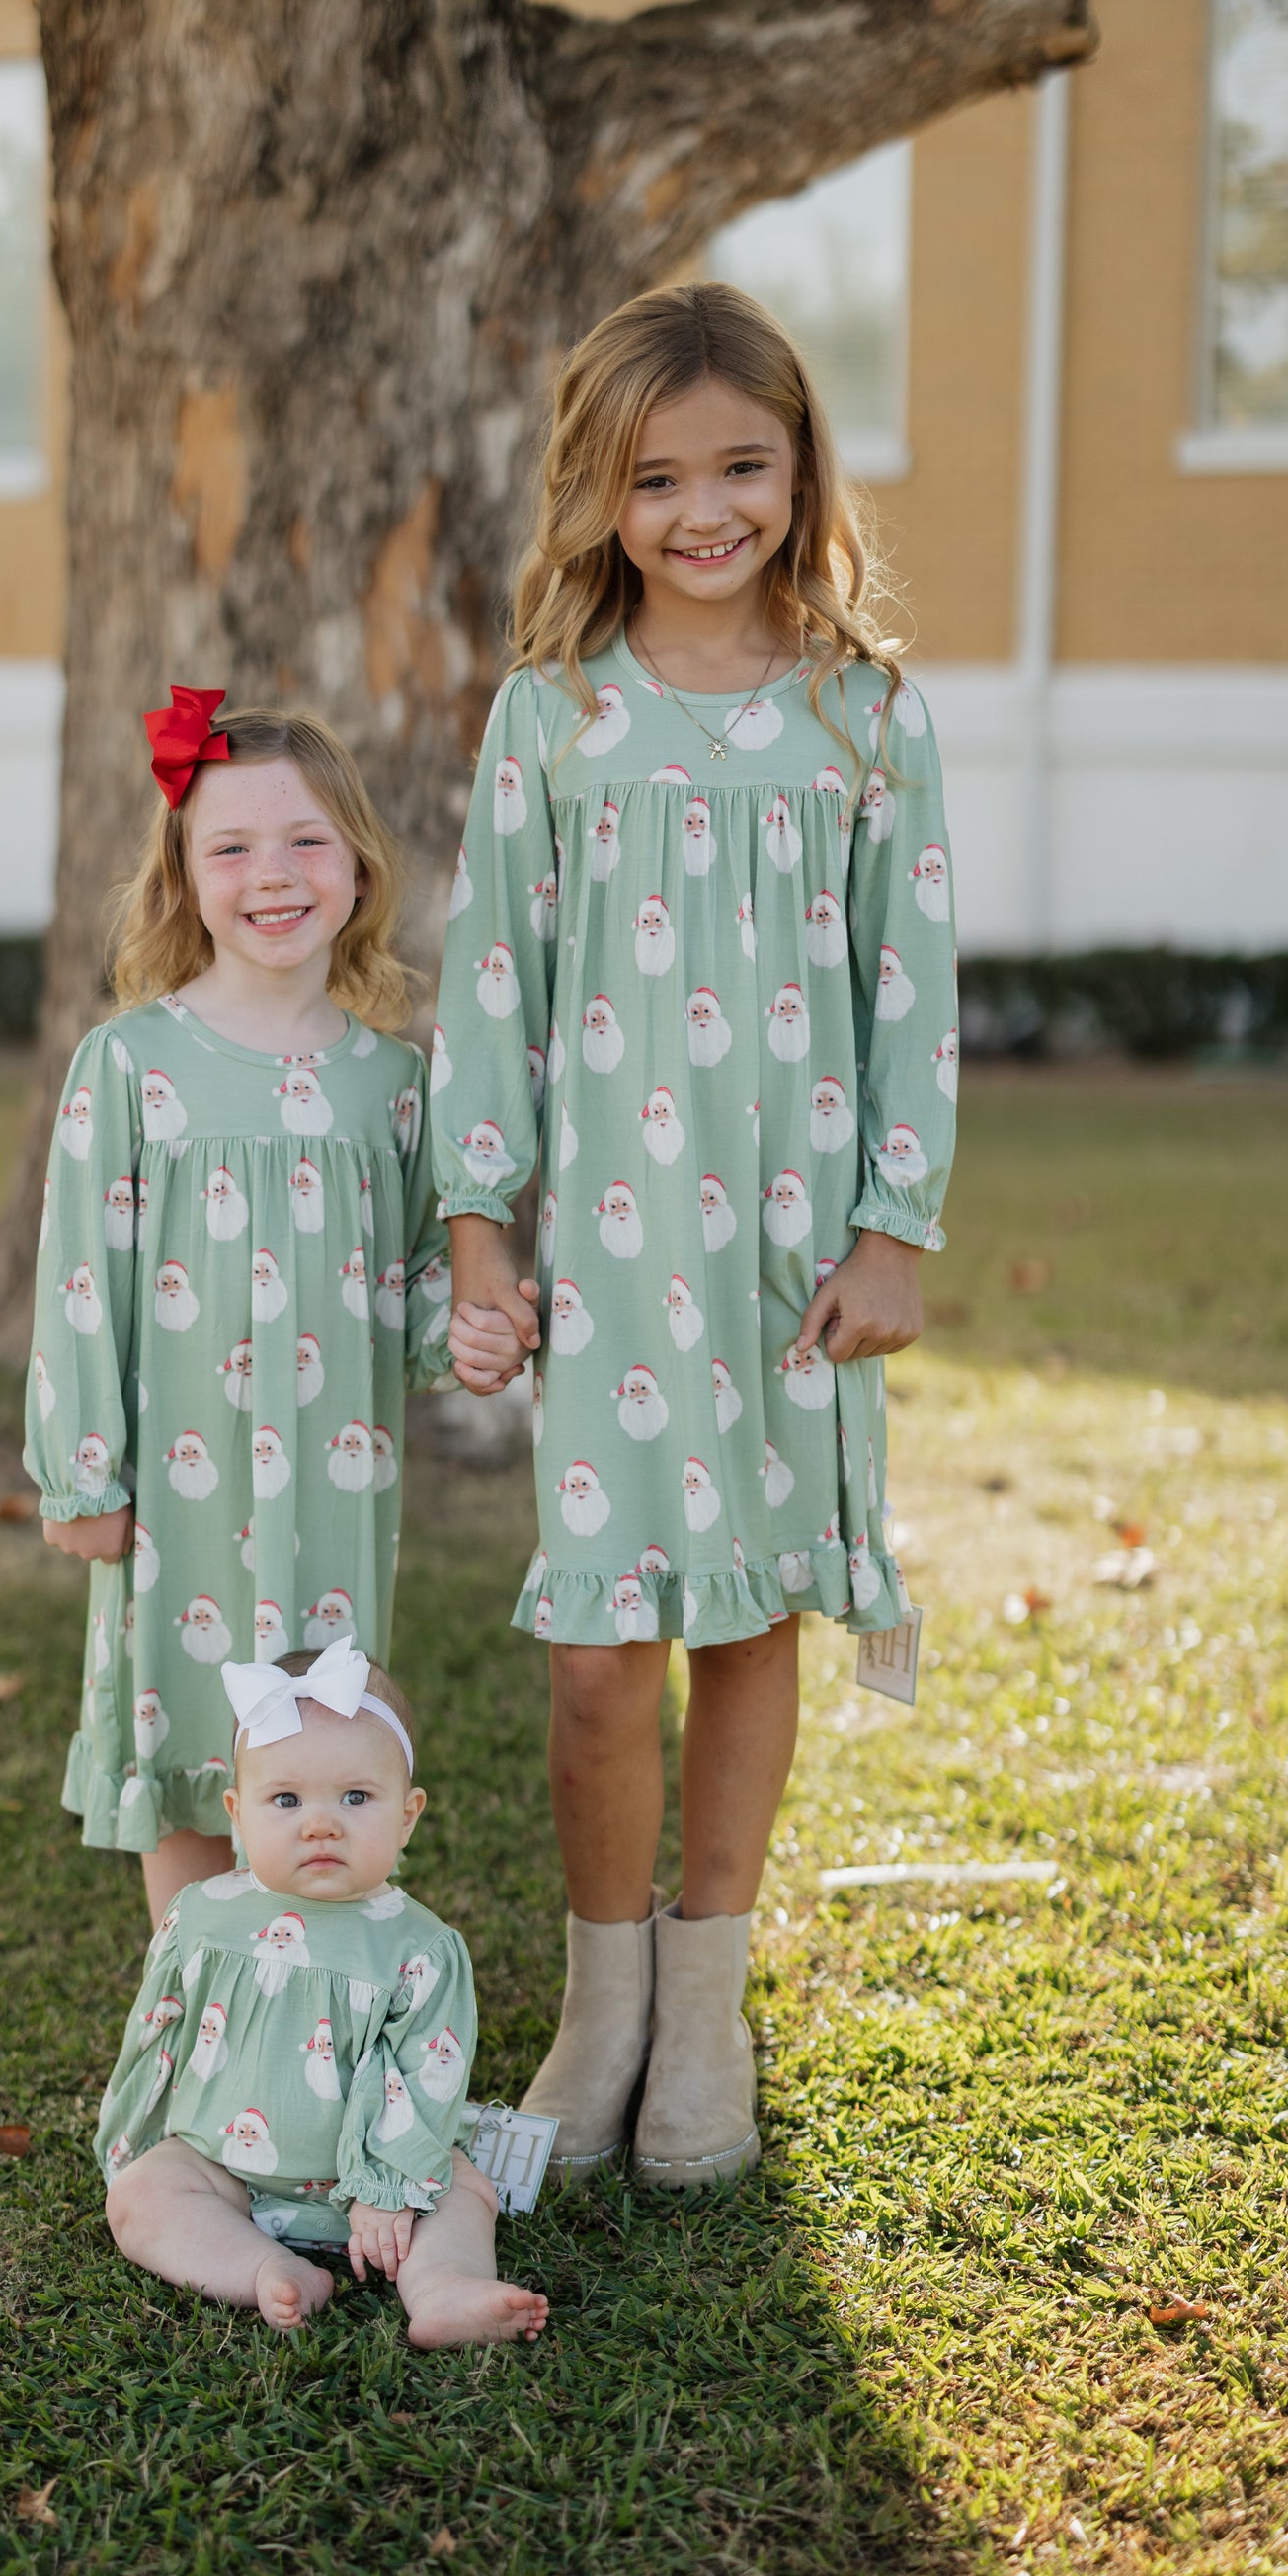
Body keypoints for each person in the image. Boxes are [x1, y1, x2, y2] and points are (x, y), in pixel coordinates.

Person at [429, 282, 958, 2192]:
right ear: (603, 493)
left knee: (744, 1611)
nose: (704, 506)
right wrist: (481, 1233)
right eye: (660, 476)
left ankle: (708, 2001)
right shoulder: (554, 718)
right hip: (615, 1253)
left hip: (795, 1252)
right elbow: (491, 980)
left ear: (801, 467)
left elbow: (914, 986)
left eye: (743, 462)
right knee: (598, 1643)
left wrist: (896, 1227)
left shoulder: (861, 710)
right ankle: (603, 2003)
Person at [25, 691, 452, 1928]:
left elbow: (417, 1280)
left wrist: (469, 1327)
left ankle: (305, 2015)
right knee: (190, 1745)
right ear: (182, 876)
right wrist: (82, 1475)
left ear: (359, 867)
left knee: (316, 1749)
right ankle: (193, 2016)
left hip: (334, 1483)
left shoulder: (390, 1083)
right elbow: (77, 1286)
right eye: (230, 848)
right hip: (178, 1494)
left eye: (305, 840)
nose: (271, 875)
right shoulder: (132, 1065)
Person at [96, 1642, 549, 2345]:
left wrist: (387, 2189)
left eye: (356, 1796)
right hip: (223, 2167)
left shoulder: (417, 1946)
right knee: (138, 2197)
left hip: (377, 2186)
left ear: (407, 1813)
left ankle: (443, 2286)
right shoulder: (201, 1916)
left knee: (465, 2191)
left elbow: (430, 2076)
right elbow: (156, 2034)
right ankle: (263, 2267)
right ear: (236, 1812)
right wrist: (134, 2139)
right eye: (285, 1798)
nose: (320, 1822)